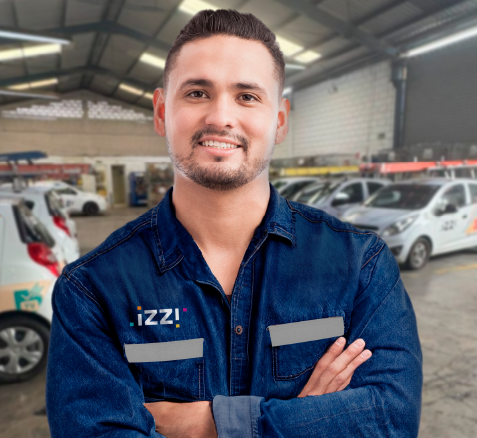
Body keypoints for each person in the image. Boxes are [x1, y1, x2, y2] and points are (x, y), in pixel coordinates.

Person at [46, 9, 422, 438]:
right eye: (197, 93)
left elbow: (391, 419)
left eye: (247, 96)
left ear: (279, 121)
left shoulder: (360, 265)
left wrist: (208, 424)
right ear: (161, 112)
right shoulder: (92, 289)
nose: (220, 117)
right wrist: (303, 418)